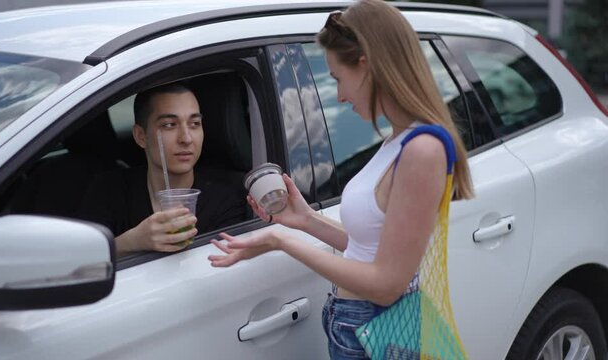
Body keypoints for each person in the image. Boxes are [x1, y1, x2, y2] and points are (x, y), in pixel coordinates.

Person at [208, 1, 474, 359]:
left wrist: (281, 241)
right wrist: (304, 220)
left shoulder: (422, 149)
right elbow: (372, 247)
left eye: (337, 78)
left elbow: (386, 286)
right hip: (360, 326)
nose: (339, 96)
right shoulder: (399, 140)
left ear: (365, 65)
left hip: (375, 331)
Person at [80, 82, 246, 256]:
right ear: (141, 136)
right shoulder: (109, 189)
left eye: (195, 123)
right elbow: (79, 262)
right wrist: (130, 242)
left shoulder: (229, 193)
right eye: (169, 125)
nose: (186, 138)